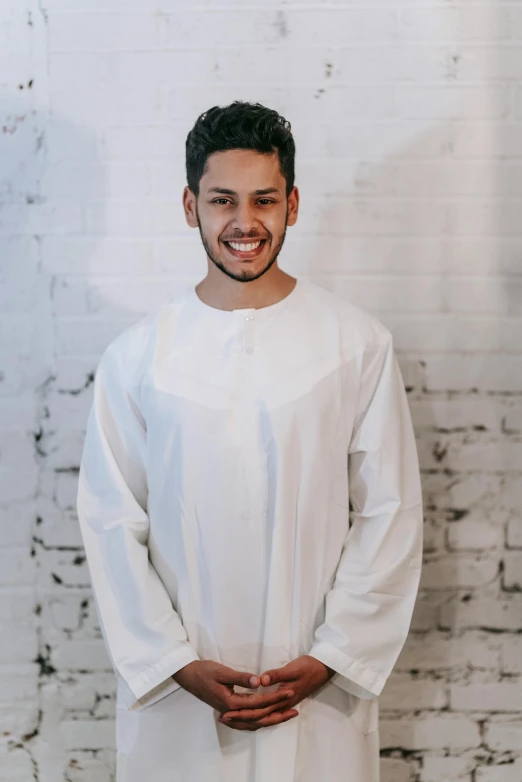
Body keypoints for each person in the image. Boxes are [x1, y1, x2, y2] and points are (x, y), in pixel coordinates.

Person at [76, 101, 424, 782]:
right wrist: (174, 662)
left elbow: (391, 512)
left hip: (315, 688)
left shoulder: (355, 344)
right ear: (190, 205)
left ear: (292, 204)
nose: (244, 222)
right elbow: (111, 521)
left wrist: (331, 657)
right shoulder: (137, 357)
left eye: (264, 199)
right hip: (180, 693)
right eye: (222, 200)